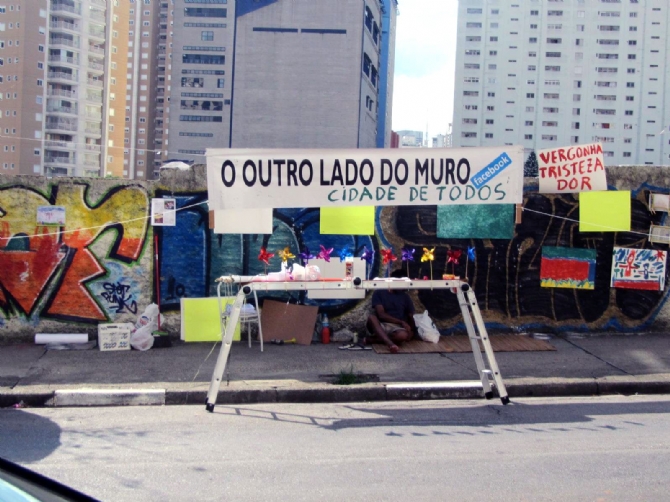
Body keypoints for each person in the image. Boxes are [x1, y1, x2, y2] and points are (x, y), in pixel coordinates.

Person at [365, 269, 416, 354]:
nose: (403, 287)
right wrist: (401, 322)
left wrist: (412, 331)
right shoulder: (379, 293)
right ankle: (390, 344)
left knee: (403, 336)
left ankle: (374, 340)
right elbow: (381, 315)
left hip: (397, 327)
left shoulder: (405, 296)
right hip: (381, 325)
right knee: (371, 318)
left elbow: (411, 316)